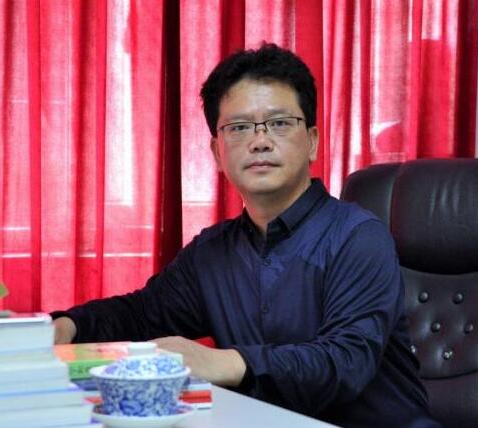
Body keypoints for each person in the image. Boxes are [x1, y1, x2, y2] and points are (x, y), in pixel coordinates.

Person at [51, 43, 440, 428]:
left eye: (280, 123)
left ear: (313, 142)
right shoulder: (212, 253)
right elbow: (141, 315)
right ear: (217, 153)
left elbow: (344, 362)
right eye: (239, 128)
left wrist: (226, 362)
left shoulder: (358, 237)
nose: (260, 141)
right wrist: (69, 326)